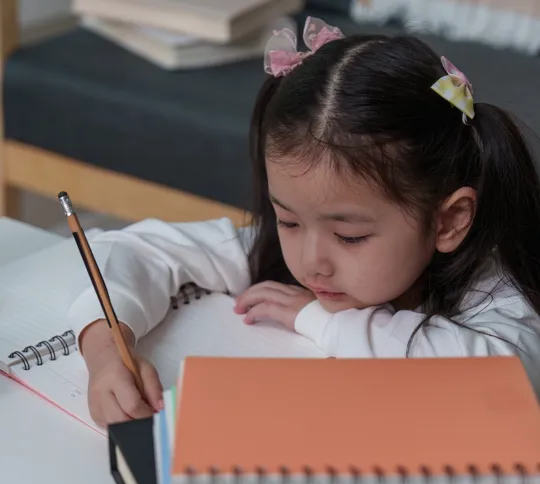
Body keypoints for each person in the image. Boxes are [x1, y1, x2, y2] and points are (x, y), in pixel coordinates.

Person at [68, 17, 540, 427]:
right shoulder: (286, 251)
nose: (311, 263)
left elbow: (500, 378)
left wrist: (319, 319)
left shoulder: (495, 291)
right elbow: (141, 248)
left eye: (349, 236)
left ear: (449, 221)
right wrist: (108, 348)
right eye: (288, 220)